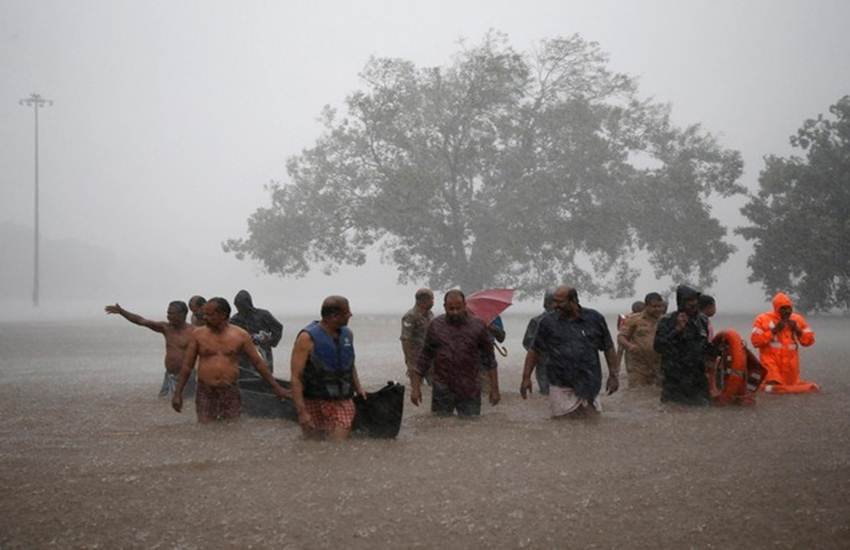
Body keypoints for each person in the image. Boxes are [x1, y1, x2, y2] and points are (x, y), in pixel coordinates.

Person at [172, 297, 289, 422]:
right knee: (205, 428)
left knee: (231, 428)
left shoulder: (240, 335)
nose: (204, 318)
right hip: (205, 390)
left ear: (223, 315)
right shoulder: (198, 335)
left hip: (230, 389)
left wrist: (276, 387)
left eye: (209, 314)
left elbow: (258, 364)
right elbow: (187, 366)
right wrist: (178, 393)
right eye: (204, 314)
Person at [520, 285, 618, 418]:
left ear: (573, 301)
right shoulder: (547, 322)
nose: (555, 305)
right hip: (560, 383)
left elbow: (608, 348)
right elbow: (534, 350)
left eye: (560, 302)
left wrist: (613, 375)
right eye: (554, 301)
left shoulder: (595, 319)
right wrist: (526, 378)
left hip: (589, 381)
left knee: (592, 422)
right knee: (563, 424)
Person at [410, 290, 500, 417]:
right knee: (440, 426)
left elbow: (490, 360)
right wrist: (415, 388)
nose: (455, 312)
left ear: (465, 305)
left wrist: (494, 389)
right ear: (444, 307)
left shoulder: (478, 326)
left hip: (469, 388)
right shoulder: (435, 326)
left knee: (471, 427)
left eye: (458, 308)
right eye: (451, 308)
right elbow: (424, 357)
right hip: (442, 388)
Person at [290, 296, 366, 440]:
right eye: (347, 312)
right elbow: (296, 377)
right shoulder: (306, 338)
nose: (351, 314)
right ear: (334, 316)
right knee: (315, 447)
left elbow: (349, 363)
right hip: (313, 400)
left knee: (338, 447)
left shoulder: (348, 334)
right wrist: (302, 412)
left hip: (342, 400)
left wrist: (358, 387)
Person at [104, 301, 196, 399]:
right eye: (168, 313)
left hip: (187, 377)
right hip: (169, 376)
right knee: (164, 404)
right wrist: (122, 312)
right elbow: (141, 321)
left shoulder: (194, 332)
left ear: (183, 314)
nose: (168, 316)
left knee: (186, 403)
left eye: (172, 314)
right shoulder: (166, 328)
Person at [653, 285, 713, 406]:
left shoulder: (702, 320)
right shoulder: (668, 320)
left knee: (704, 412)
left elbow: (705, 346)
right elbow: (658, 346)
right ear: (681, 302)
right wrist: (677, 330)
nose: (693, 303)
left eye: (695, 300)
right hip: (675, 376)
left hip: (697, 377)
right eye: (689, 300)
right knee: (674, 411)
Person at [750, 292, 818, 393]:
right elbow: (756, 341)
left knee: (789, 387)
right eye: (783, 308)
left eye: (788, 308)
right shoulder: (763, 319)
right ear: (776, 308)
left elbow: (809, 341)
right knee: (776, 386)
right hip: (770, 363)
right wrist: (774, 330)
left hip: (791, 366)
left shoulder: (797, 320)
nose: (786, 311)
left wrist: (797, 330)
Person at [617, 292, 665, 387]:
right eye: (654, 306)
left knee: (655, 395)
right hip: (638, 367)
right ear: (646, 306)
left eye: (660, 306)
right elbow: (621, 337)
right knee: (638, 394)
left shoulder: (664, 321)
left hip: (658, 366)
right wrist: (630, 346)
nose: (658, 309)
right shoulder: (634, 319)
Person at [230, 290, 283, 373]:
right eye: (238, 306)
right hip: (243, 358)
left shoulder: (263, 315)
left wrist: (270, 340)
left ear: (248, 303)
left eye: (242, 305)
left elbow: (278, 328)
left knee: (265, 377)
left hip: (263, 354)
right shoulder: (234, 320)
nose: (240, 308)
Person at [521, 289, 555, 395]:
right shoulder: (537, 321)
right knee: (547, 394)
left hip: (563, 366)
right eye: (555, 302)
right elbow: (528, 344)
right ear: (546, 303)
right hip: (544, 365)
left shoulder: (567, 321)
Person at [400, 288, 434, 381]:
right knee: (417, 386)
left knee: (434, 386)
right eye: (432, 299)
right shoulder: (410, 316)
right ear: (424, 300)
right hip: (416, 359)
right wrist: (409, 363)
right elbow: (405, 340)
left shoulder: (430, 314)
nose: (433, 302)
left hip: (430, 358)